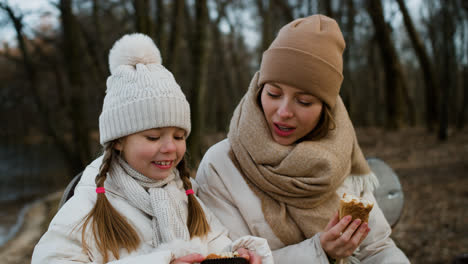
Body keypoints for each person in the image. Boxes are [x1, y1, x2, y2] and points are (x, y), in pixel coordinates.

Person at [32, 33, 272, 264]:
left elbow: (215, 243)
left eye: (179, 136)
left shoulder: (187, 196)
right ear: (118, 140)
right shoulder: (89, 205)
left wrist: (235, 254)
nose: (169, 147)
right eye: (153, 137)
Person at [195, 15, 410, 263]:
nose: (284, 111)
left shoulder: (342, 157)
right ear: (259, 90)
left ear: (325, 109)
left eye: (304, 101)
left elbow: (378, 248)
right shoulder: (221, 165)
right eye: (274, 93)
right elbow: (229, 258)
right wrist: (319, 252)